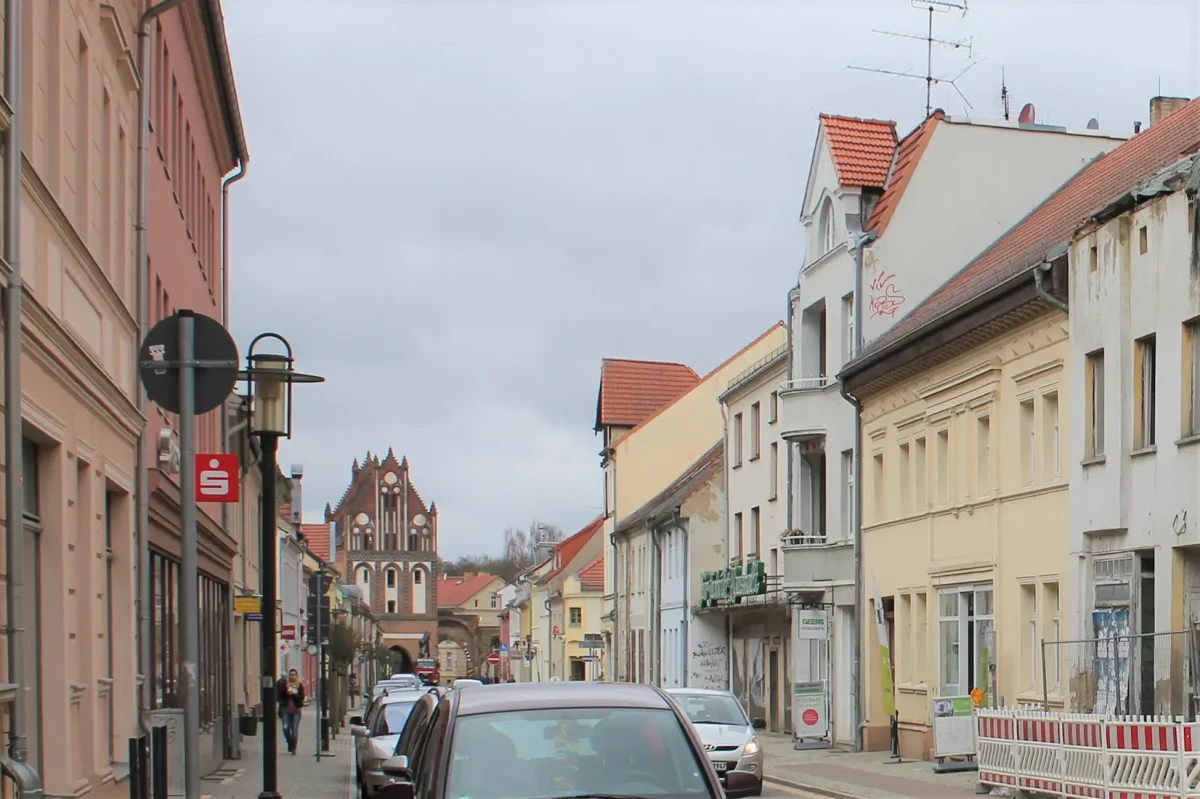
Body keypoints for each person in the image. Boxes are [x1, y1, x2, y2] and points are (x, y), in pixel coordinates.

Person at [277, 669, 305, 754]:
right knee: (285, 728)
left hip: (296, 712)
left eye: (294, 675)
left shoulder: (299, 685)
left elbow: (302, 697)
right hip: (285, 711)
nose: (292, 676)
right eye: (291, 675)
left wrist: (294, 694)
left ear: (296, 676)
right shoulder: (285, 685)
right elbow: (279, 696)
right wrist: (285, 689)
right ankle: (290, 742)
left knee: (294, 730)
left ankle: (293, 748)